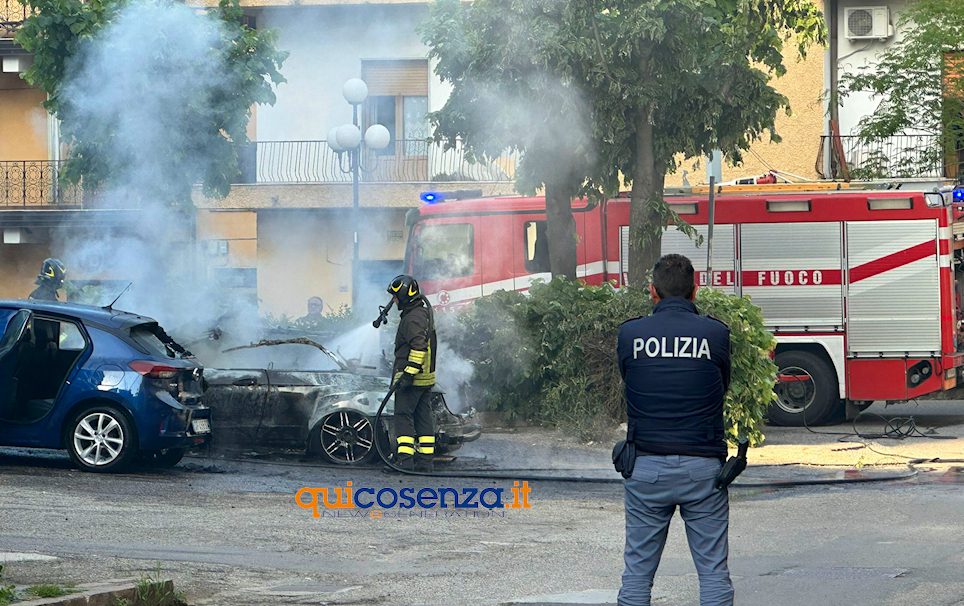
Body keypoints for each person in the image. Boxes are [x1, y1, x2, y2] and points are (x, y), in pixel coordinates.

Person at [616, 254, 733, 606]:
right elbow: (721, 386)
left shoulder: (630, 333)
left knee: (637, 573)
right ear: (694, 291)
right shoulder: (716, 333)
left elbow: (629, 378)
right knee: (713, 573)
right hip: (703, 470)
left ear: (653, 292)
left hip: (646, 468)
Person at [386, 274, 437, 472]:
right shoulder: (421, 313)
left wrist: (407, 374)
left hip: (413, 379)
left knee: (403, 416)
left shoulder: (412, 319)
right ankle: (425, 463)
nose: (394, 300)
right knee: (423, 418)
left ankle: (405, 462)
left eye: (396, 296)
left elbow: (419, 347)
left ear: (405, 296)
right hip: (425, 378)